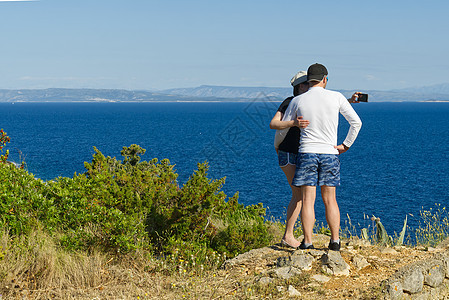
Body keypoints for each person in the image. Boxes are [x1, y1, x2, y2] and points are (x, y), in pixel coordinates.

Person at [282, 63, 362, 251]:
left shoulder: (298, 100)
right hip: (329, 153)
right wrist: (345, 145)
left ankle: (308, 241)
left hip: (307, 152)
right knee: (330, 199)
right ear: (325, 79)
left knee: (308, 200)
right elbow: (356, 122)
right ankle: (334, 241)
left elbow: (285, 123)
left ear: (309, 80)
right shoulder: (336, 97)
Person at [269, 71, 310, 249]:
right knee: (299, 194)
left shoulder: (308, 101)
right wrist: (293, 123)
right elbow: (274, 123)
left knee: (300, 194)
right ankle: (288, 236)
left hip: (299, 154)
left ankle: (291, 234)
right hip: (287, 153)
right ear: (301, 86)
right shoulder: (289, 102)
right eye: (309, 83)